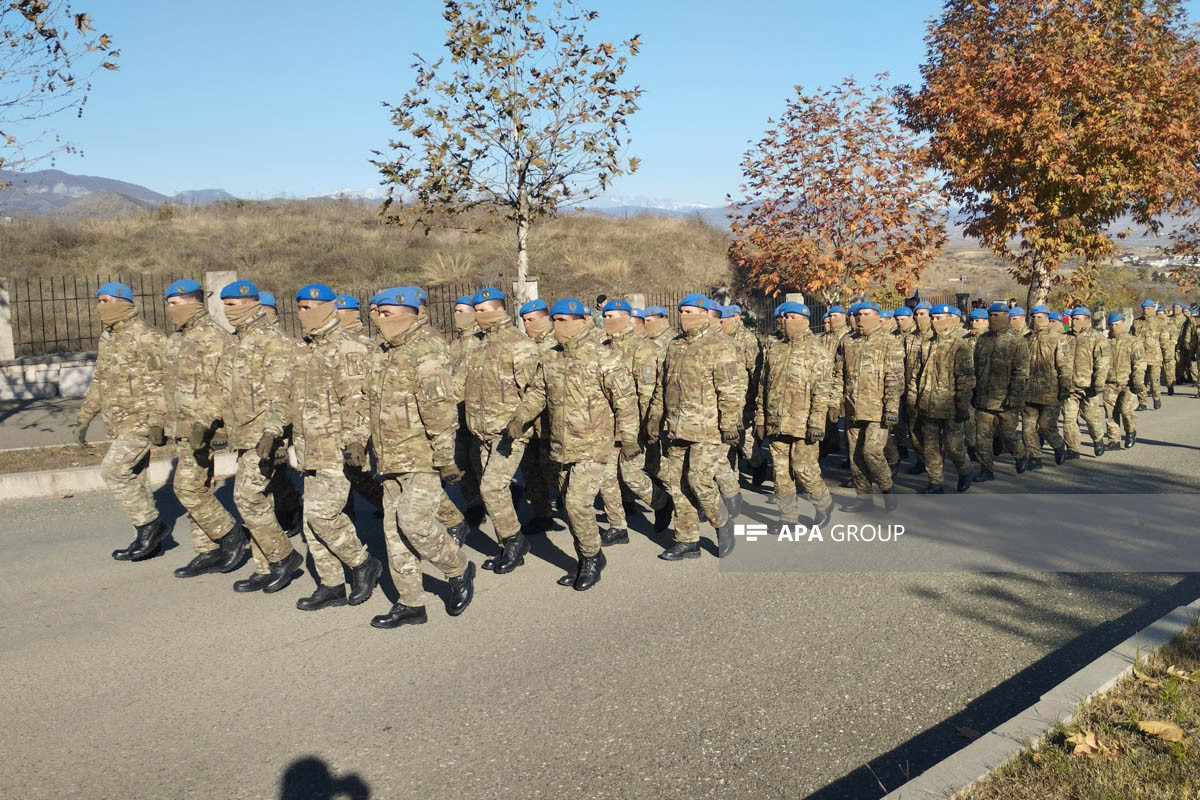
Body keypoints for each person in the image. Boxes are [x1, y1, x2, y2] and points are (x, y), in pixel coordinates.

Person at [508, 297, 640, 589]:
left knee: (577, 504)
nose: (558, 326)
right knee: (571, 508)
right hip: (560, 445)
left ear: (581, 321)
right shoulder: (552, 357)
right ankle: (586, 555)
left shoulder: (605, 357)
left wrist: (629, 438)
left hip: (593, 445)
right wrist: (520, 417)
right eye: (555, 320)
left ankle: (592, 559)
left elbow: (626, 403)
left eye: (564, 321)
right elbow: (537, 393)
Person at [366, 287, 475, 628]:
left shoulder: (425, 352)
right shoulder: (385, 353)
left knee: (413, 523)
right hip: (390, 458)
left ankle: (457, 568)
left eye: (386, 314)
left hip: (423, 457)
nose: (378, 320)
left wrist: (445, 457)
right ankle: (411, 602)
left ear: (410, 313)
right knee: (393, 533)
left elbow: (440, 411)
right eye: (377, 314)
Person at [290, 283, 382, 611]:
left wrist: (356, 441)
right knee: (309, 522)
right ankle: (331, 584)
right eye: (299, 307)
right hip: (309, 448)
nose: (303, 314)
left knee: (321, 515)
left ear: (329, 307)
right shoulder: (303, 349)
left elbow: (358, 402)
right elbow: (288, 398)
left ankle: (362, 563)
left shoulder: (348, 348)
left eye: (309, 307)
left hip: (336, 447)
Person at [218, 279, 305, 593]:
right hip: (243, 433)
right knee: (261, 499)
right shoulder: (237, 341)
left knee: (247, 497)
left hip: (265, 434)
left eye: (232, 305)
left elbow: (282, 394)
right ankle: (265, 566)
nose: (226, 311)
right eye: (224, 305)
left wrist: (273, 433)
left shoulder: (272, 340)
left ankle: (284, 557)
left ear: (250, 304)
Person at [74, 281, 170, 561]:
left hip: (141, 421)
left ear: (126, 302)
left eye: (108, 301)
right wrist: (85, 415)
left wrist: (156, 422)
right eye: (99, 301)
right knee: (136, 478)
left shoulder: (148, 337)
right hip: (118, 421)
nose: (103, 306)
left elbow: (162, 383)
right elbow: (101, 379)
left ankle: (152, 526)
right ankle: (148, 541)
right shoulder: (109, 336)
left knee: (113, 471)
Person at [646, 293, 745, 560]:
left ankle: (722, 523)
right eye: (682, 311)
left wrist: (729, 425)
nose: (685, 317)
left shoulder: (721, 345)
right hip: (677, 428)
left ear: (705, 314)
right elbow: (661, 385)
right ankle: (687, 540)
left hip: (708, 428)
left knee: (699, 481)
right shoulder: (675, 346)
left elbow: (731, 390)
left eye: (691, 312)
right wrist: (656, 416)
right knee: (678, 485)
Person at [161, 279, 248, 578]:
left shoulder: (213, 337)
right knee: (199, 487)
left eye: (174, 303)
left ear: (191, 302)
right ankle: (207, 550)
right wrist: (160, 422)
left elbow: (225, 387)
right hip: (183, 426)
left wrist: (206, 423)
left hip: (206, 427)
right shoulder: (178, 338)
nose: (169, 309)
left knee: (186, 487)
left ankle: (231, 535)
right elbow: (170, 387)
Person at [463, 287, 541, 573]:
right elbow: (461, 384)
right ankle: (506, 543)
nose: (478, 316)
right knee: (493, 490)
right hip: (481, 432)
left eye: (483, 311)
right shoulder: (477, 344)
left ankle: (514, 541)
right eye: (476, 311)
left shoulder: (519, 345)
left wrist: (520, 420)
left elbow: (535, 391)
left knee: (491, 487)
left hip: (509, 433)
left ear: (498, 310)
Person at [600, 298, 673, 541]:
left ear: (626, 318)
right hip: (606, 425)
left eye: (612, 317)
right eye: (605, 317)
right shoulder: (602, 348)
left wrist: (647, 424)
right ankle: (617, 526)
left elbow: (648, 391)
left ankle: (662, 502)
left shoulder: (645, 349)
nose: (607, 321)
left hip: (634, 424)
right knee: (606, 477)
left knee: (631, 475)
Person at [755, 302, 834, 525]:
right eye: (784, 317)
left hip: (803, 423)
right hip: (776, 422)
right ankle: (787, 518)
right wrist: (761, 418)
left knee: (804, 471)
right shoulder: (775, 348)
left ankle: (823, 502)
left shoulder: (817, 351)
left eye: (792, 317)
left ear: (805, 320)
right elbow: (763, 386)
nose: (787, 321)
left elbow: (822, 391)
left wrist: (817, 424)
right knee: (780, 475)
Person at [832, 302, 903, 511]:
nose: (861, 318)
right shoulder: (848, 341)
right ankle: (864, 498)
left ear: (876, 315)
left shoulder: (889, 341)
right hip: (853, 408)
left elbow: (895, 378)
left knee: (871, 452)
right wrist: (835, 402)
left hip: (877, 409)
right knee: (855, 457)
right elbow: (838, 375)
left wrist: (891, 408)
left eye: (866, 314)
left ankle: (887, 488)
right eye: (858, 314)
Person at [909, 304, 975, 493]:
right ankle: (935, 481)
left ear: (948, 319)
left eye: (938, 318)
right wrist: (914, 399)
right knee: (930, 447)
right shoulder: (927, 343)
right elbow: (916, 374)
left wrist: (962, 406)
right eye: (933, 318)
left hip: (950, 406)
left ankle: (965, 470)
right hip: (927, 404)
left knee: (954, 447)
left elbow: (966, 379)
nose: (933, 321)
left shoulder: (960, 346)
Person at [516, 298, 562, 533]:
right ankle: (542, 515)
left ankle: (578, 513)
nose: (527, 324)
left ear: (546, 318)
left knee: (553, 471)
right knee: (530, 471)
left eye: (532, 320)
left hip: (552, 420)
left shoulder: (559, 344)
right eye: (524, 320)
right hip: (527, 420)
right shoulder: (523, 346)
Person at [972, 301, 1030, 480]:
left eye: (997, 315)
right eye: (991, 315)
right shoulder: (983, 339)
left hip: (1006, 399)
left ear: (1006, 317)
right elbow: (975, 367)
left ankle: (1020, 454)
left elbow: (1021, 372)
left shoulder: (1017, 340)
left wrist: (1015, 396)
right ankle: (986, 469)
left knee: (1008, 435)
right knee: (982, 437)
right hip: (983, 398)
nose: (993, 318)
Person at [719, 304, 765, 486]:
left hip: (745, 399)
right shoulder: (719, 338)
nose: (720, 323)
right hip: (727, 399)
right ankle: (731, 482)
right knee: (728, 441)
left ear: (736, 318)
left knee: (744, 440)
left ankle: (758, 462)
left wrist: (756, 400)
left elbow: (756, 370)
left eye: (723, 320)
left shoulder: (748, 340)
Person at [1023, 305, 1071, 468]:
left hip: (1050, 391)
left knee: (1046, 425)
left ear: (1047, 318)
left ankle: (1058, 445)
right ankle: (1034, 457)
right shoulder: (1027, 338)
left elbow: (1064, 364)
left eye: (1040, 317)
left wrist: (1064, 386)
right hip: (1029, 391)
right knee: (1028, 428)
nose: (1037, 320)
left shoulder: (1057, 338)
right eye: (1034, 317)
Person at [1061, 306, 1110, 459]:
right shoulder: (1065, 337)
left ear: (1087, 319)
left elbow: (1102, 361)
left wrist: (1099, 382)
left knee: (1091, 418)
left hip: (1089, 386)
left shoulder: (1097, 338)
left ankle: (1098, 439)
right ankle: (1072, 448)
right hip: (1069, 387)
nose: (1074, 321)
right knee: (1069, 419)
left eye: (1077, 319)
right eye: (1072, 319)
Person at [1103, 312, 1146, 451]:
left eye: (1117, 324)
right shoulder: (1105, 342)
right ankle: (1114, 440)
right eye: (1112, 325)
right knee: (1110, 413)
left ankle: (1130, 431)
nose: (1114, 327)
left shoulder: (1133, 341)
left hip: (1128, 383)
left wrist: (1138, 381)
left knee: (1125, 411)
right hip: (1109, 383)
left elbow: (1139, 362)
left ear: (1123, 323)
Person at [1131, 299, 1169, 411]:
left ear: (1153, 308)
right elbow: (1131, 338)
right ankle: (1142, 402)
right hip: (1139, 357)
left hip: (1155, 356)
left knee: (1154, 380)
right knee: (1139, 380)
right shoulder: (1136, 322)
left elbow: (1165, 340)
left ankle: (1156, 398)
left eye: (1148, 308)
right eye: (1144, 308)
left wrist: (1166, 355)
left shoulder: (1160, 322)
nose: (1145, 311)